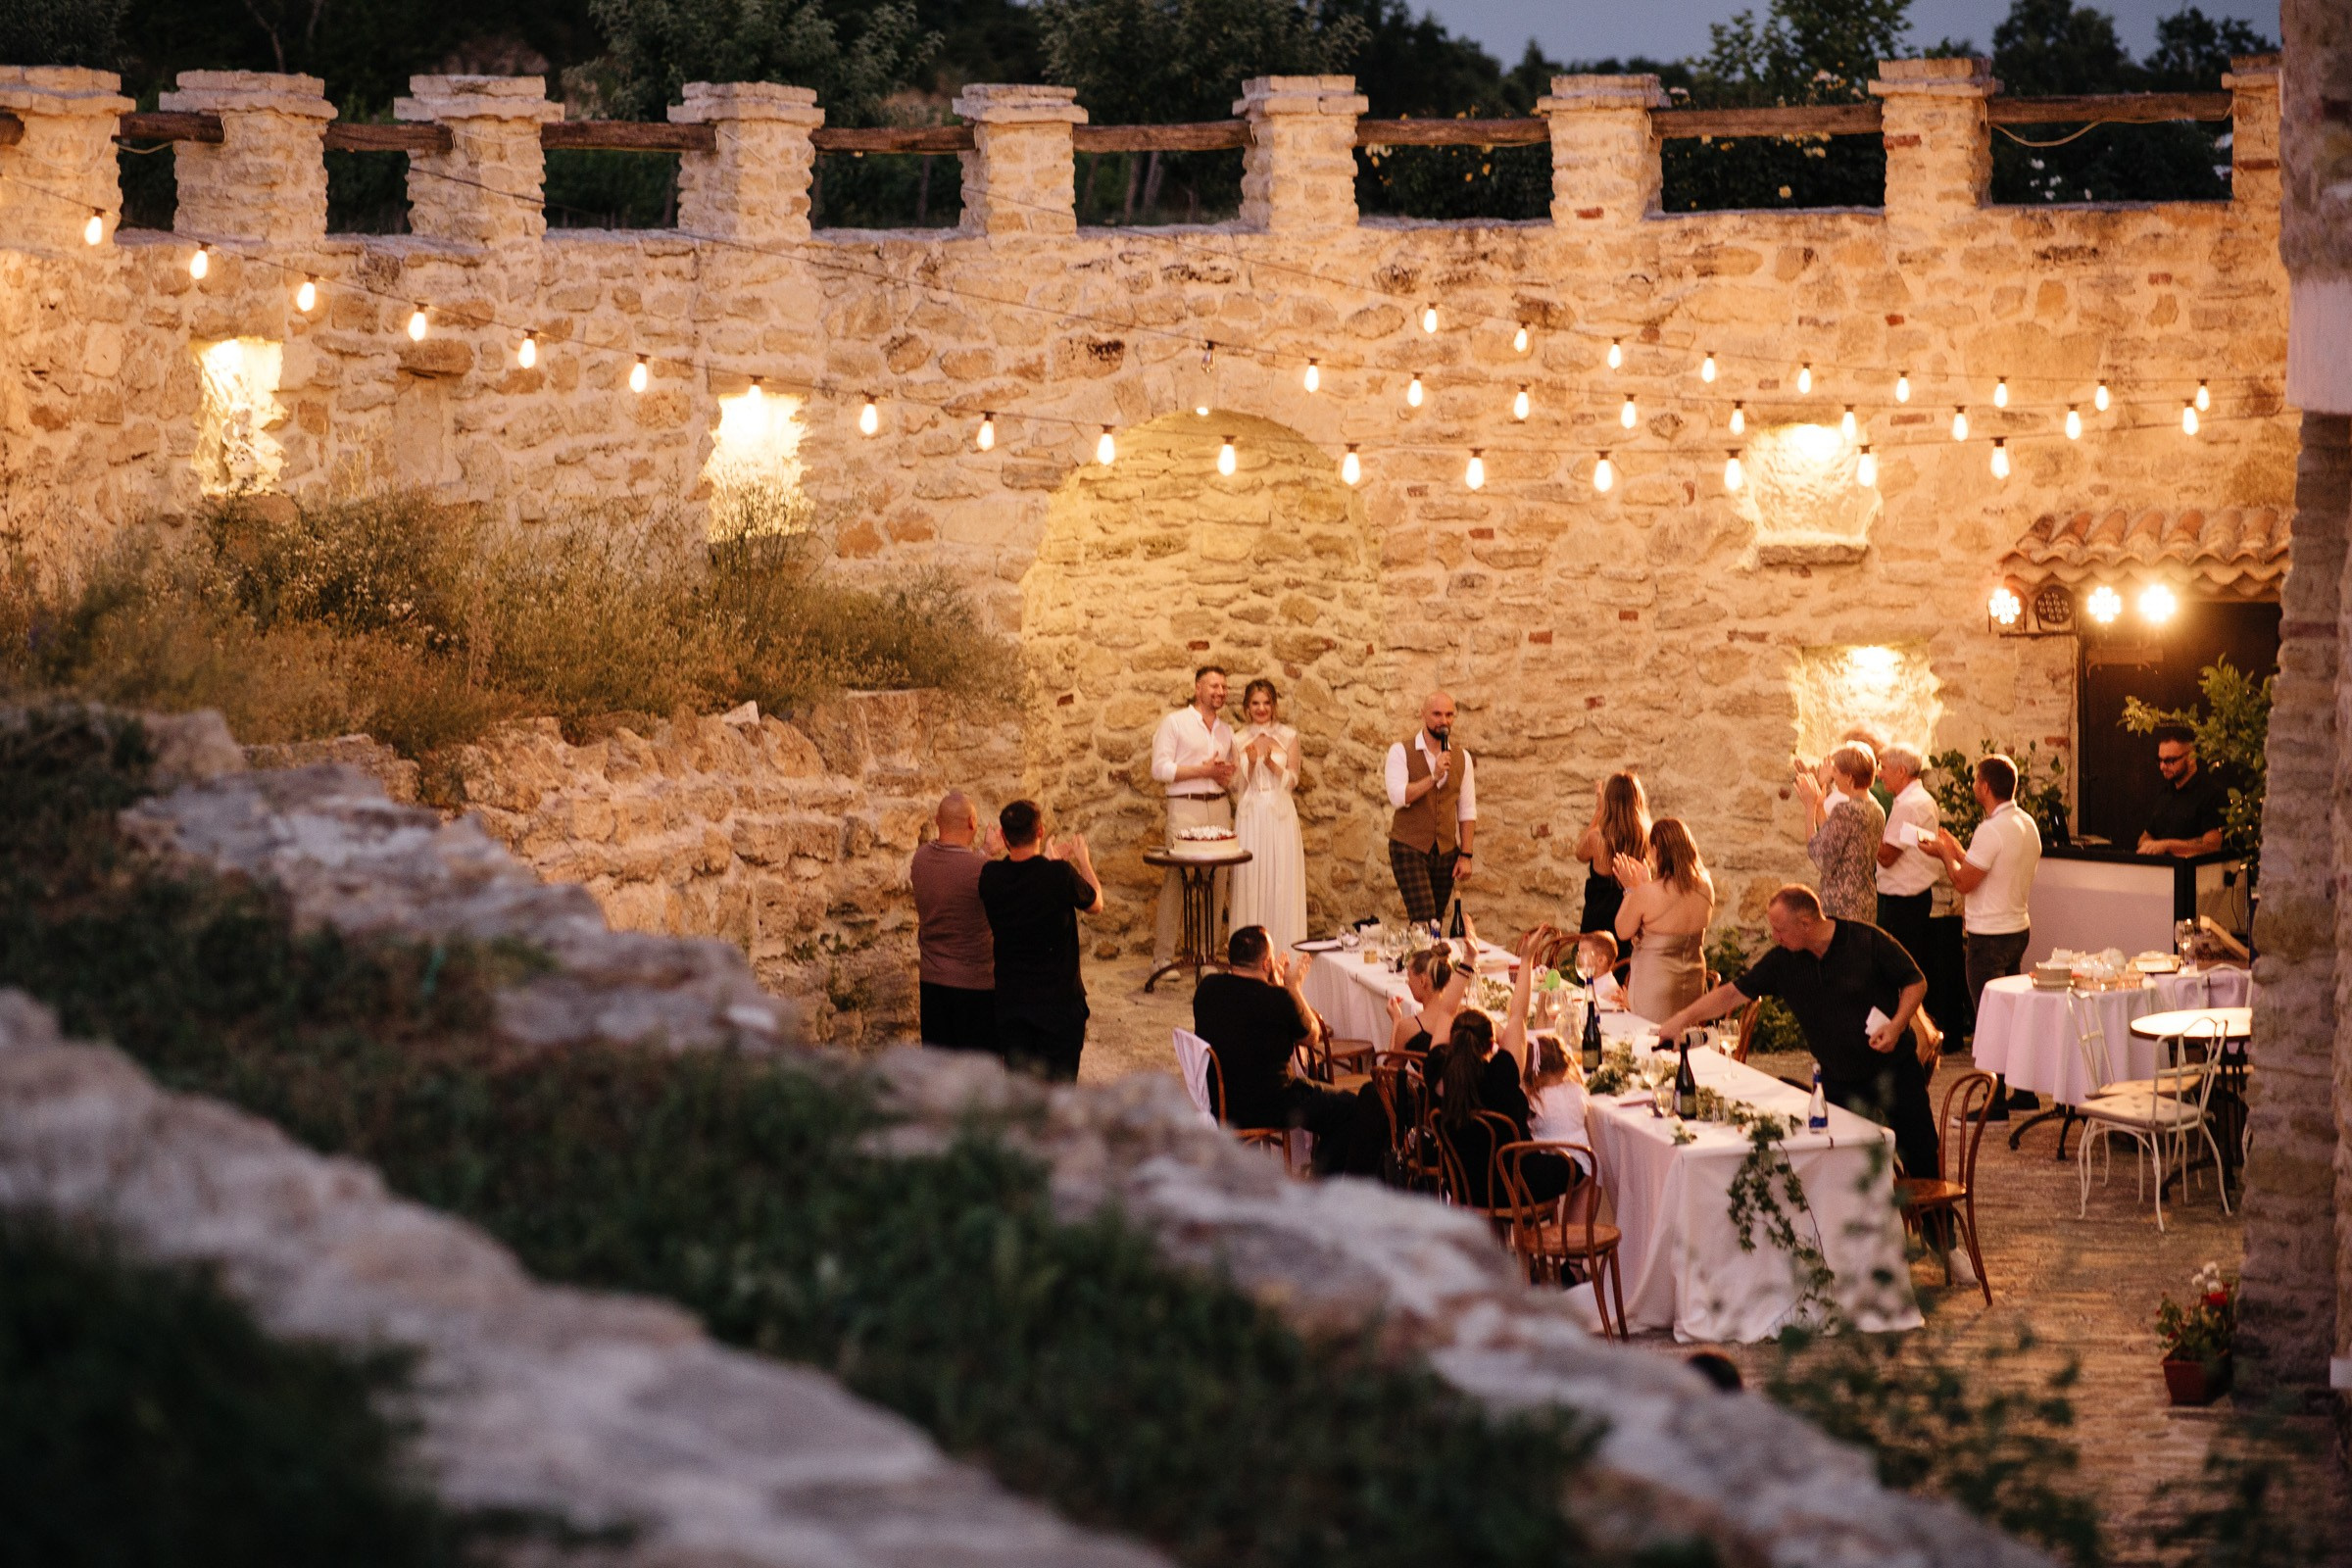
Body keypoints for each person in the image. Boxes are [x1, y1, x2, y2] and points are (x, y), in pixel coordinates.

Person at [1654, 886, 1938, 1184]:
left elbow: (1914, 981)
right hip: (1838, 1080)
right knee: (1841, 1169)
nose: (1775, 937)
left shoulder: (1865, 940)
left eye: (1780, 929)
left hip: (1895, 1071)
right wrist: (1683, 1019)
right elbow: (1731, 994)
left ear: (1806, 923)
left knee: (1921, 1161)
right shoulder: (1783, 962)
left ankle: (1939, 1230)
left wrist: (1896, 1025)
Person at [1192, 926, 1378, 1176]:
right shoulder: (1278, 999)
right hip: (1272, 1102)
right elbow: (1312, 1036)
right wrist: (1294, 987)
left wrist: (1278, 986)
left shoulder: (1207, 988)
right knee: (1350, 1109)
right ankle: (1321, 1183)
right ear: (1267, 963)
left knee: (1324, 1096)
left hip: (1221, 1101)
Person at [1926, 755, 2043, 1119]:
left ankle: (1994, 1101)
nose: (1973, 785)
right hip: (2016, 928)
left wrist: (1946, 856)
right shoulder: (2024, 823)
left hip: (1989, 936)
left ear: (1986, 787)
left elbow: (1963, 881)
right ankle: (2024, 1091)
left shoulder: (1990, 830)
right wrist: (1955, 850)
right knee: (2015, 1015)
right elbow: (1987, 866)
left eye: (1976, 780)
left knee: (1990, 1019)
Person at [978, 800, 1103, 1082]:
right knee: (1058, 1096)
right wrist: (1083, 861)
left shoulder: (990, 877)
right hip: (1058, 1007)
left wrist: (989, 849)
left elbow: (1018, 878)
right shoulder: (1058, 875)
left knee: (1021, 1096)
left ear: (1005, 837)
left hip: (1012, 1004)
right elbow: (1096, 904)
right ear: (1040, 831)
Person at [1150, 665, 1238, 964]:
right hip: (1185, 806)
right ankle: (1162, 957)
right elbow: (1160, 769)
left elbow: (1230, 776)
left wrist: (1224, 776)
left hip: (1219, 805)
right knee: (1177, 878)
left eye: (1224, 687)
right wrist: (1203, 770)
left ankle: (1206, 953)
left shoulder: (1226, 731)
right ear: (1198, 688)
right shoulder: (1175, 723)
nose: (1220, 692)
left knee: (1218, 880)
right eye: (1214, 686)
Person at [909, 790, 996, 1053]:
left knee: (938, 1070)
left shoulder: (920, 858)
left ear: (937, 820)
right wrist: (986, 854)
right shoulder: (981, 869)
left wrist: (985, 851)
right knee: (977, 1076)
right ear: (972, 823)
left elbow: (954, 871)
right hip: (976, 986)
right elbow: (969, 873)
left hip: (932, 981)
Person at [1385, 691, 1477, 926]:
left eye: (1449, 715)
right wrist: (1433, 776)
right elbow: (1398, 797)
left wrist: (1466, 855)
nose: (1443, 721)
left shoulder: (1462, 757)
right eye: (1437, 714)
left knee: (1434, 923)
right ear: (1423, 714)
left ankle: (1422, 962)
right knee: (1424, 918)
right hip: (1409, 847)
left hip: (1446, 852)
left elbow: (1466, 809)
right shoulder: (1400, 751)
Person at [1228, 678, 1307, 953]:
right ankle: (1250, 953)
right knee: (1251, 878)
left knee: (1281, 880)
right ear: (1247, 707)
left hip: (1280, 812)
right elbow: (1235, 784)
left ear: (1274, 706)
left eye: (1266, 703)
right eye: (1255, 703)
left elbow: (1294, 779)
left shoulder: (1288, 736)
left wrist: (1272, 764)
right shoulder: (1237, 738)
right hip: (1251, 813)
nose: (1261, 709)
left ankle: (1284, 951)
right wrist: (1249, 763)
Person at [1612, 817, 1715, 1024]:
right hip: (1693, 978)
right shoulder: (1705, 885)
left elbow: (1622, 930)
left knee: (1654, 1041)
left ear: (1657, 850)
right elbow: (1671, 906)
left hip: (1655, 984)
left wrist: (1631, 889)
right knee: (1683, 1036)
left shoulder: (1648, 893)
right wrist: (1645, 884)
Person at [1795, 744, 1886, 924]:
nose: (1833, 777)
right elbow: (1835, 835)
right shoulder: (1876, 808)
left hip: (1842, 901)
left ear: (1849, 778)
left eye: (1836, 771)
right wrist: (1820, 805)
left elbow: (1820, 854)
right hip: (1864, 899)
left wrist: (1810, 807)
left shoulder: (1847, 810)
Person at [1873, 745, 1941, 970]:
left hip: (1903, 904)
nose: (1879, 774)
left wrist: (1861, 830)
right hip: (1913, 899)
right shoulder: (1919, 800)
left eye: (1883, 767)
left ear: (1901, 771)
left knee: (1899, 970)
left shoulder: (1910, 806)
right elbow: (1909, 844)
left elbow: (1886, 856)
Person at [1575, 771, 1650, 939]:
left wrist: (1598, 812)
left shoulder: (1597, 838)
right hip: (1631, 922)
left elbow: (1579, 853)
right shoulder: (1646, 839)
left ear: (1609, 801)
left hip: (1597, 922)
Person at [2138, 724, 2228, 858]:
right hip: (2162, 873)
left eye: (2170, 760)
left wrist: (2166, 845)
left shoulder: (2212, 794)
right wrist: (2150, 845)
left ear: (2192, 757)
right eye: (2160, 760)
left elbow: (2211, 846)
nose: (2162, 767)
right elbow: (2144, 839)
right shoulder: (2165, 793)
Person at [1388, 945, 1470, 1054]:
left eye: (1409, 977)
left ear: (1422, 980)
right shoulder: (1467, 1015)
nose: (1408, 983)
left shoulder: (1409, 1027)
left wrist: (1396, 1021)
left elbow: (1391, 1068)